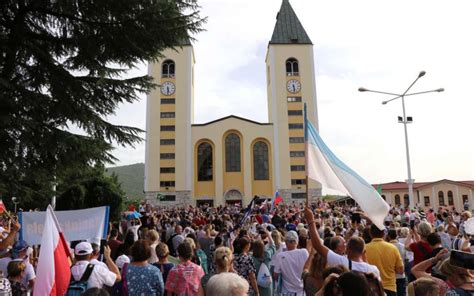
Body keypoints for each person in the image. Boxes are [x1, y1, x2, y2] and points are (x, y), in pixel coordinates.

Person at [304, 208, 380, 277]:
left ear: (347, 250)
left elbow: (317, 245)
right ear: (364, 252)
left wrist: (310, 220)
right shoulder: (374, 270)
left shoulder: (342, 262)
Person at [365, 224, 404, 296]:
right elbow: (400, 270)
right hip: (390, 288)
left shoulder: (364, 248)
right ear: (383, 233)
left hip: (371, 288)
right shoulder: (393, 248)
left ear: (370, 233)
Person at [273, 231, 309, 296]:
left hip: (286, 292)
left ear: (286, 242)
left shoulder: (280, 256)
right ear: (297, 241)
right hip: (301, 291)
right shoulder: (304, 252)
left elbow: (275, 275)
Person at [251, 230, 276, 296]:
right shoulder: (267, 254)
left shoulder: (251, 257)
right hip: (267, 284)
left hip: (257, 285)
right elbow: (273, 246)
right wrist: (269, 235)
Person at [387, 229, 407, 296]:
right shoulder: (402, 246)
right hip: (401, 275)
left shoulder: (386, 246)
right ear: (396, 236)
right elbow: (406, 259)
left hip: (390, 275)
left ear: (388, 237)